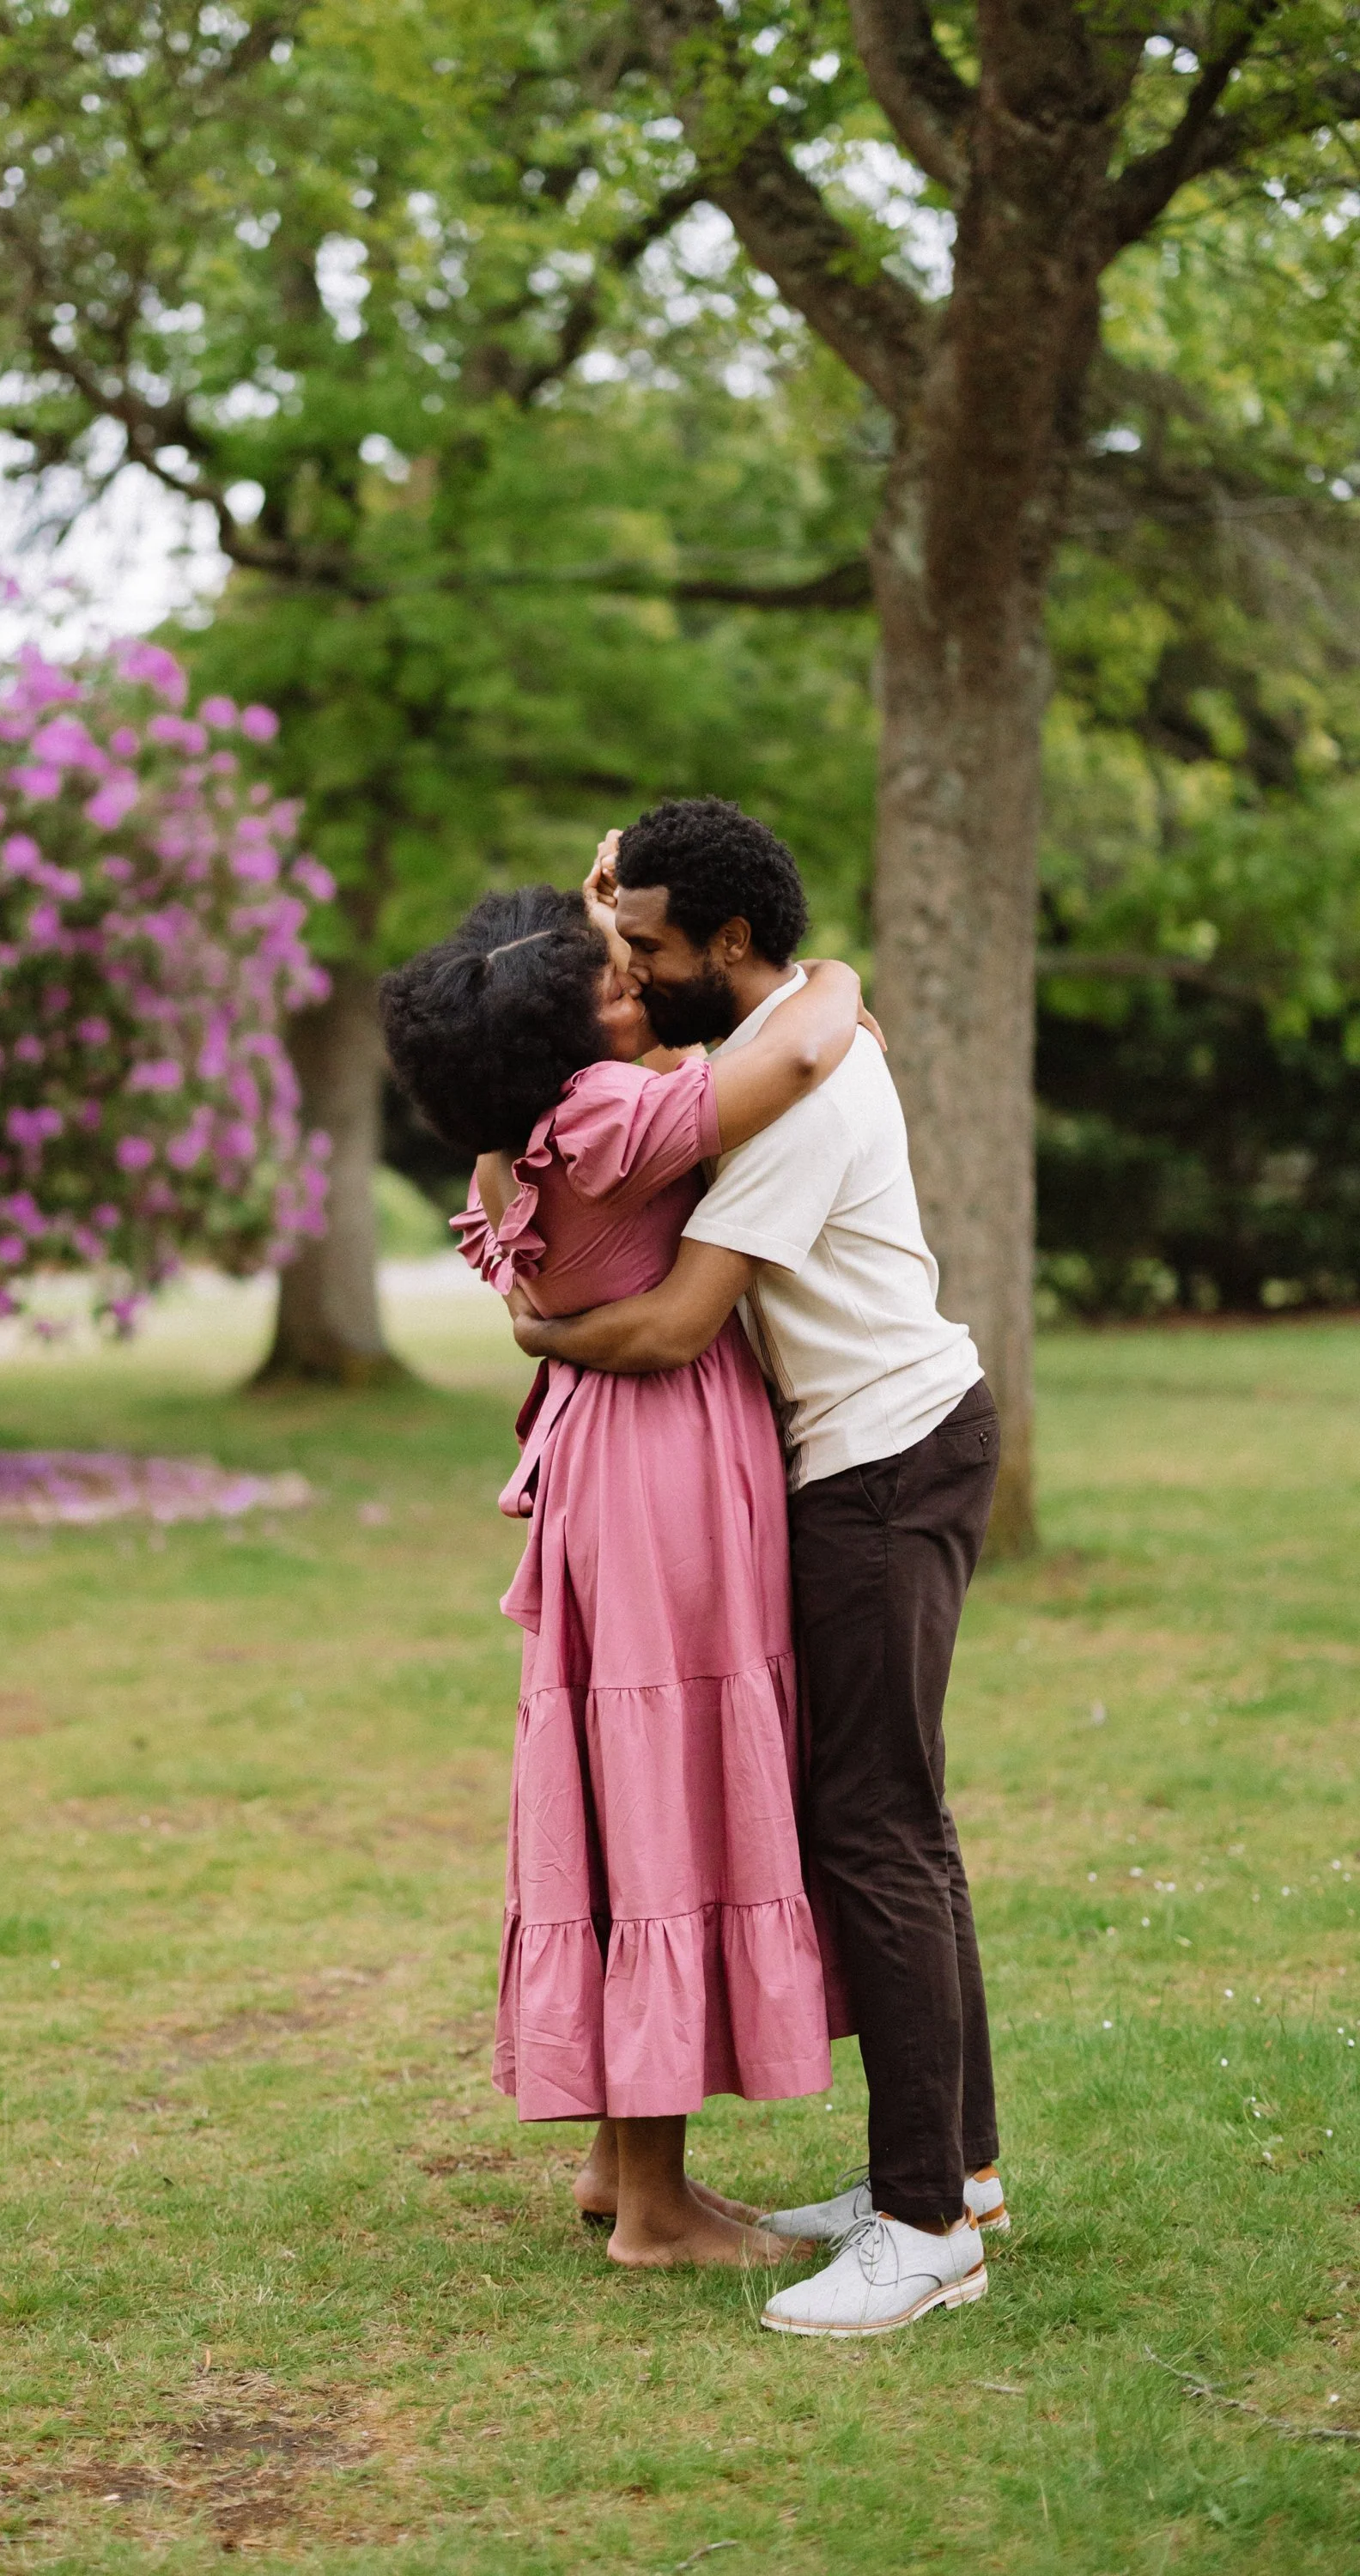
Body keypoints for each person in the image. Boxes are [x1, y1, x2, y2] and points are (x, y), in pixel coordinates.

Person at [510, 798, 1005, 2339]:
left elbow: (670, 1328)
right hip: (884, 1447)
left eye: (652, 948)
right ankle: (955, 2177)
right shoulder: (782, 1029)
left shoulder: (795, 1087)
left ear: (733, 945)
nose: (638, 974)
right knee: (897, 1820)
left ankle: (926, 2229)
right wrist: (611, 906)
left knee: (873, 1831)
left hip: (877, 1462)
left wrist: (542, 1333)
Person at [379, 876, 869, 2268]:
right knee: (661, 1796)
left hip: (605, 1468)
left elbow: (532, 1277)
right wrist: (819, 973)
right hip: (660, 1471)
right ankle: (657, 2210)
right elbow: (796, 1051)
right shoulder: (600, 1119)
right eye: (607, 979)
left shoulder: (515, 1133)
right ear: (553, 1040)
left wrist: (598, 906)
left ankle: (618, 2165)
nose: (635, 985)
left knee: (616, 1789)